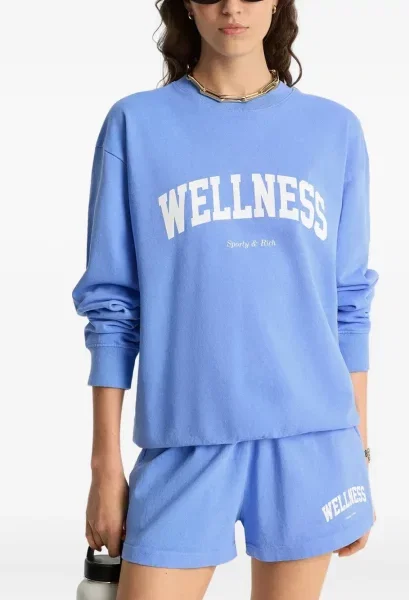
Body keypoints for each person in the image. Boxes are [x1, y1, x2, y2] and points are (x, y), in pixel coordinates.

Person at [71, 0, 379, 597]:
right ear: (188, 4)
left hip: (312, 444)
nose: (232, 6)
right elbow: (113, 307)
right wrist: (105, 467)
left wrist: (357, 455)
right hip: (183, 441)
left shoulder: (334, 130)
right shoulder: (136, 125)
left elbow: (349, 305)